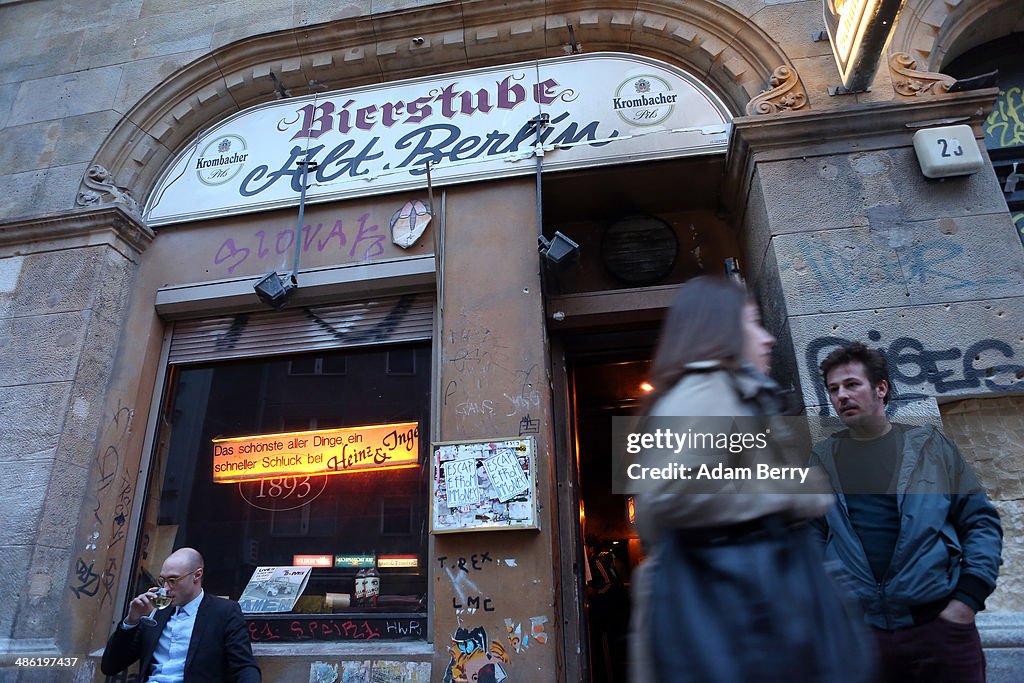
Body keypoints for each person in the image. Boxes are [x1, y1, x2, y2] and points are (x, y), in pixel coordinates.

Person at [628, 276, 871, 683]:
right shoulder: (706, 388)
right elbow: (670, 492)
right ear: (721, 328)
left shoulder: (728, 390)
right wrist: (792, 489)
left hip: (748, 613)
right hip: (743, 617)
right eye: (753, 322)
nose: (767, 338)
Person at [811, 342, 1002, 683]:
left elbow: (980, 522)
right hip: (864, 638)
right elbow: (808, 539)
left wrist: (967, 600)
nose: (841, 396)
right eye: (833, 389)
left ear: (881, 388)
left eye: (852, 384)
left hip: (939, 628)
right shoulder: (823, 460)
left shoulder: (930, 448)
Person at [101, 547, 261, 683]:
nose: (166, 588)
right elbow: (110, 666)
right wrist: (131, 621)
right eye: (162, 580)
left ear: (197, 575)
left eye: (173, 580)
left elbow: (244, 667)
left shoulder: (223, 612)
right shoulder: (156, 611)